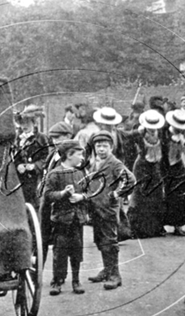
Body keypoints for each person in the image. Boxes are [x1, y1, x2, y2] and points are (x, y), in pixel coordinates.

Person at [87, 131, 136, 290]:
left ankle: (115, 275)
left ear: (112, 147)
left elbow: (130, 180)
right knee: (101, 241)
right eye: (98, 146)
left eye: (105, 146)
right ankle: (107, 270)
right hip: (96, 208)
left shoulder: (115, 163)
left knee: (110, 242)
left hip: (108, 209)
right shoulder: (95, 162)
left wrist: (117, 193)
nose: (101, 149)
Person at [44, 140, 88, 296]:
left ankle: (76, 280)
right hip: (61, 221)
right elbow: (48, 195)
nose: (82, 157)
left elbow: (88, 193)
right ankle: (57, 281)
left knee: (77, 251)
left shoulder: (80, 173)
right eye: (79, 154)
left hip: (77, 220)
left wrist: (80, 197)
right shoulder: (54, 174)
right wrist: (63, 194)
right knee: (60, 252)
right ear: (69, 155)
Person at [126, 110, 167, 238]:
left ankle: (155, 228)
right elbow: (127, 139)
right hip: (141, 167)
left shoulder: (160, 133)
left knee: (157, 195)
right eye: (150, 125)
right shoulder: (139, 133)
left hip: (155, 166)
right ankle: (135, 229)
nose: (152, 128)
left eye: (154, 125)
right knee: (140, 196)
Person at [39, 121, 74, 267]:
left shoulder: (73, 157)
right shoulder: (53, 154)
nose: (55, 142)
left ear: (68, 136)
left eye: (59, 138)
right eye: (53, 138)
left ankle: (59, 277)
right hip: (47, 201)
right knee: (42, 239)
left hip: (62, 204)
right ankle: (37, 273)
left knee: (61, 243)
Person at [12, 105, 49, 210]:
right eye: (22, 123)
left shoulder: (42, 138)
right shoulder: (18, 140)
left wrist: (34, 166)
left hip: (37, 179)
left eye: (27, 123)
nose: (24, 126)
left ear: (34, 123)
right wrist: (18, 165)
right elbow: (14, 157)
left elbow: (47, 158)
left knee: (37, 205)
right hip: (22, 180)